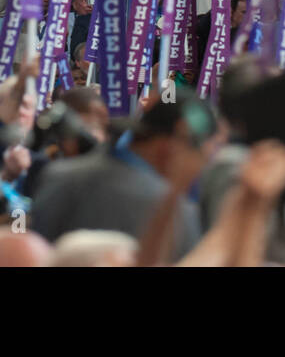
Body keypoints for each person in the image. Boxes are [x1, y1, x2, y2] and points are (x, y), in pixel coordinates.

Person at [30, 94, 216, 259]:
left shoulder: (59, 175)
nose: (203, 167)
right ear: (174, 145)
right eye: (204, 156)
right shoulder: (176, 213)